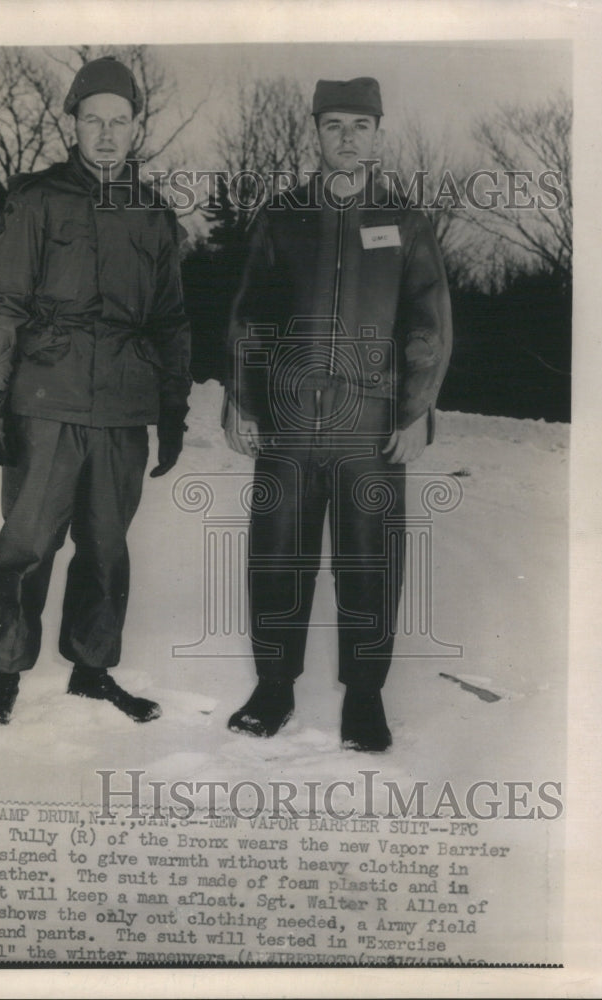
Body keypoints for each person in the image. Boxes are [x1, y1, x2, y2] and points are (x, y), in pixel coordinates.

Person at [223, 76, 452, 751]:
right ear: (316, 132)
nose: (346, 138)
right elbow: (248, 317)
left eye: (360, 126)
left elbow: (428, 325)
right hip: (290, 422)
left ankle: (365, 698)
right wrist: (241, 399)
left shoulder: (407, 222)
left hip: (370, 425)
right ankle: (273, 687)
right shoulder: (283, 216)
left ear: (378, 134)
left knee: (370, 561)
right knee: (277, 558)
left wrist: (415, 412)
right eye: (334, 126)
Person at [0, 57, 191, 725]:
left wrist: (172, 409)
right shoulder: (36, 200)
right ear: (74, 124)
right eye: (93, 120)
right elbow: (0, 300)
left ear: (134, 129)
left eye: (118, 122)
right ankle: (4, 676)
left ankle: (92, 669)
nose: (105, 134)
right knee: (28, 545)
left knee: (106, 545)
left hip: (122, 408)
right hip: (45, 401)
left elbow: (171, 319)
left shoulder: (153, 215)